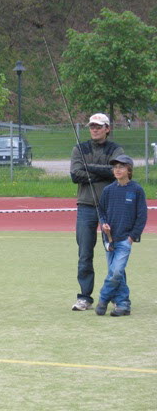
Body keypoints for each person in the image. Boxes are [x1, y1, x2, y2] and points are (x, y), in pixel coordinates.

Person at [69, 113, 124, 311]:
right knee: (84, 253)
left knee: (113, 252)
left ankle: (117, 295)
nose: (95, 129)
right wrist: (102, 172)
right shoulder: (79, 148)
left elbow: (116, 171)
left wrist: (90, 168)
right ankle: (85, 297)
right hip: (85, 207)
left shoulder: (115, 149)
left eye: (99, 126)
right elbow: (75, 174)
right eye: (92, 126)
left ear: (107, 128)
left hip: (110, 208)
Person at [95, 155, 147, 317]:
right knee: (118, 272)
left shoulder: (136, 190)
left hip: (125, 239)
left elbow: (142, 216)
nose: (117, 169)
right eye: (115, 167)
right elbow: (101, 211)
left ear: (129, 170)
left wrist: (132, 237)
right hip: (109, 239)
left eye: (121, 167)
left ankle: (103, 298)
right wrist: (103, 224)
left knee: (116, 271)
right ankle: (123, 304)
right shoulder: (108, 190)